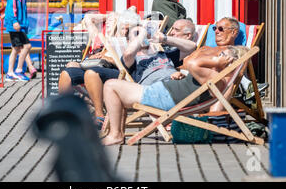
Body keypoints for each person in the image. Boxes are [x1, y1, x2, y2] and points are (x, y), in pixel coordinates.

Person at [101, 45, 249, 145]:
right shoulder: (216, 76)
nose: (217, 55)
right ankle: (117, 132)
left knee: (110, 86)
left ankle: (115, 135)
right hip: (162, 93)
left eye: (222, 55)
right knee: (116, 90)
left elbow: (191, 62)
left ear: (229, 62)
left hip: (162, 97)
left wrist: (216, 60)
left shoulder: (215, 77)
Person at [4, 0, 35, 81]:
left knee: (16, 49)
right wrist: (14, 21)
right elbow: (10, 8)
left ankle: (10, 73)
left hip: (20, 25)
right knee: (27, 46)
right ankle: (19, 70)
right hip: (16, 25)